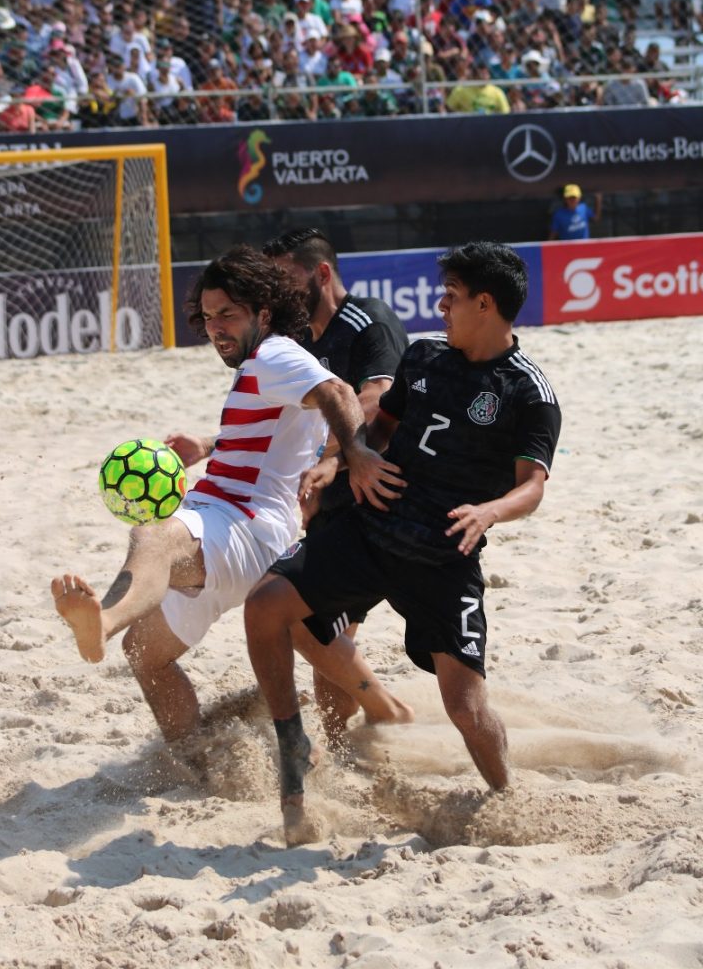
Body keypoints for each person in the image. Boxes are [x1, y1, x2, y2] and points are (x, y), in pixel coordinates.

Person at [244, 241, 562, 842]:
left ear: (486, 304)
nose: (440, 305)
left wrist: (490, 511)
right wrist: (346, 458)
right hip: (371, 528)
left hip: (444, 556)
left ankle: (506, 797)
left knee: (467, 710)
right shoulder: (422, 357)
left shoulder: (528, 392)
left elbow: (534, 486)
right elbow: (380, 429)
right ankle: (319, 764)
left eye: (452, 296)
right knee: (268, 606)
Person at [52, 245, 404, 748]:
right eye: (209, 316)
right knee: (146, 653)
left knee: (154, 534)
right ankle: (196, 758)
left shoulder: (274, 354)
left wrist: (356, 454)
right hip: (228, 525)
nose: (217, 327)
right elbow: (279, 432)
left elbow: (342, 395)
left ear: (262, 313)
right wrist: (208, 444)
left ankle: (101, 621)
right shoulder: (261, 366)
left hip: (244, 524)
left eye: (229, 315)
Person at [262, 228, 411, 741]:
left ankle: (388, 715)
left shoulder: (370, 321)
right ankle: (360, 737)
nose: (278, 290)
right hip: (335, 502)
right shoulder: (299, 339)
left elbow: (374, 400)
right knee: (323, 631)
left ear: (321, 273)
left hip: (383, 502)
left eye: (286, 277)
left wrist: (331, 459)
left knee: (311, 620)